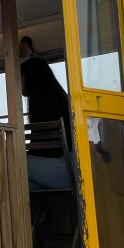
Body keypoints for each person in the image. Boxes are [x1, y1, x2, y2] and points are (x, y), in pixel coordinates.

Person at [19, 44, 73, 189]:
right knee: (21, 184)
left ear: (30, 78)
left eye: (20, 77)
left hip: (61, 168)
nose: (18, 83)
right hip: (70, 168)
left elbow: (43, 150)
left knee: (5, 161)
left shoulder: (40, 102)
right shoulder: (59, 98)